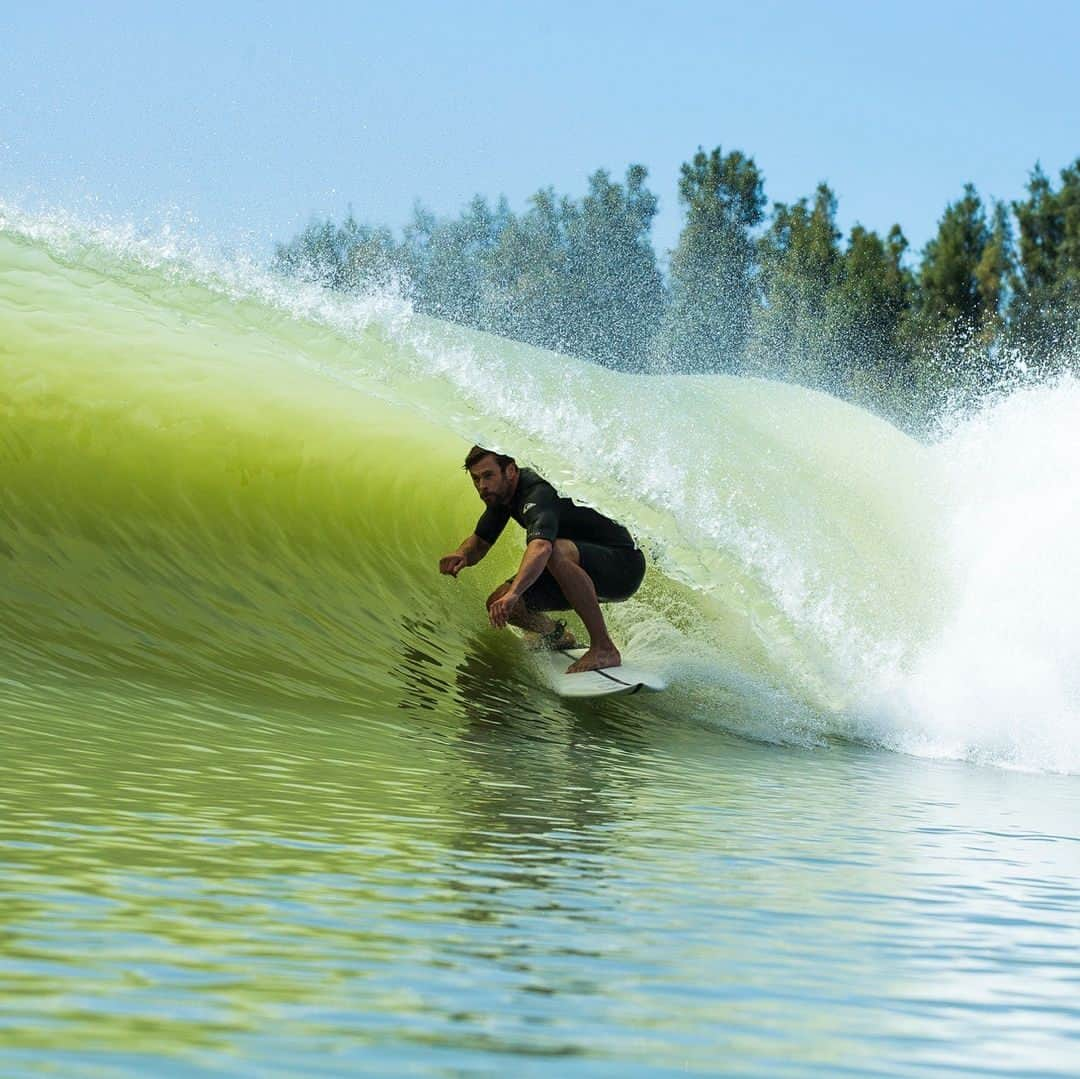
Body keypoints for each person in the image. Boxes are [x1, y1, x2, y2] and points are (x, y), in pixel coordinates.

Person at [439, 446, 646, 674]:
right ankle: (557, 636)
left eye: (488, 476)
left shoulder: (537, 492)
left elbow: (541, 547)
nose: (482, 486)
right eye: (476, 479)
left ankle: (604, 647)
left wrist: (515, 592)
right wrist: (462, 555)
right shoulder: (501, 496)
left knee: (554, 552)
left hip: (622, 566)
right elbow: (478, 544)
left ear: (510, 470)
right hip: (578, 566)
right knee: (501, 603)